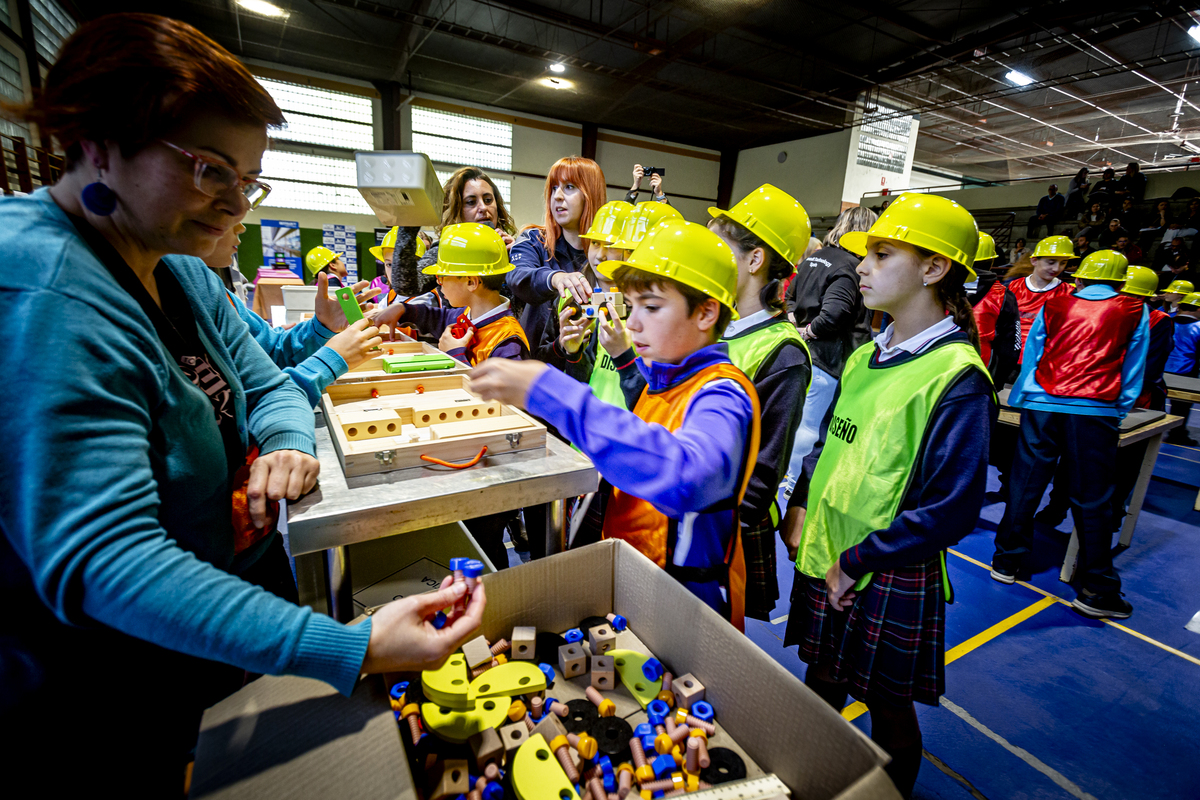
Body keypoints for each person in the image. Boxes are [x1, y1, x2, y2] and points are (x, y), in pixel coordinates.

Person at [0, 14, 484, 793]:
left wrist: (288, 440)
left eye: (246, 179)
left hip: (208, 624)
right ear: (97, 140)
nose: (233, 205)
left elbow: (264, 380)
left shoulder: (177, 265)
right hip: (105, 673)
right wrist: (348, 647)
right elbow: (106, 559)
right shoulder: (47, 290)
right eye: (207, 170)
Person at [785, 193, 992, 799]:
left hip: (884, 568)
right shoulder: (865, 356)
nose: (862, 269)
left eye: (881, 254)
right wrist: (799, 500)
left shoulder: (957, 378)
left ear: (933, 269)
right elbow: (829, 440)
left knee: (886, 706)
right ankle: (806, 778)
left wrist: (858, 561)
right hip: (830, 554)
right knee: (819, 676)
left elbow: (949, 510)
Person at [471, 218, 760, 629]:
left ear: (706, 312)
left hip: (686, 610)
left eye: (653, 307)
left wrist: (550, 391)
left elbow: (688, 475)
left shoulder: (723, 394)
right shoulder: (662, 378)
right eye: (634, 305)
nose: (635, 322)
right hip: (638, 582)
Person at [991, 251, 1148, 620]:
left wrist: (1024, 396)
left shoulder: (1056, 303)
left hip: (1042, 403)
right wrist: (1119, 407)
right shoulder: (1132, 309)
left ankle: (1007, 562)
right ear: (1121, 282)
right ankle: (1097, 588)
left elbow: (1033, 354)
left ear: (1079, 279)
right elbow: (1134, 365)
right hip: (1094, 409)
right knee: (1092, 498)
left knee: (1025, 483)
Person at [708, 184, 813, 620]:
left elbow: (766, 468)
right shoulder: (713, 324)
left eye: (719, 246)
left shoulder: (784, 354)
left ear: (754, 260)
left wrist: (710, 534)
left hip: (723, 527)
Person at [204, 223, 383, 406]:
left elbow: (272, 351)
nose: (240, 227)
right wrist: (331, 361)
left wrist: (321, 327)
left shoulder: (213, 288)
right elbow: (250, 405)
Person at [780, 207, 877, 501]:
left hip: (806, 352)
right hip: (831, 356)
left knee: (801, 420)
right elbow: (834, 313)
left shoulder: (813, 258)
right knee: (813, 425)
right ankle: (794, 485)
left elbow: (789, 298)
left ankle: (789, 478)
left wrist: (797, 324)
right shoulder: (849, 265)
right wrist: (810, 331)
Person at [371, 222, 528, 365]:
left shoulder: (508, 343)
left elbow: (499, 395)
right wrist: (403, 310)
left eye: (441, 277)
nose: (439, 284)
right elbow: (439, 318)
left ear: (471, 282)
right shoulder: (470, 314)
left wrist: (454, 354)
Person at [508, 156, 609, 368]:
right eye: (554, 188)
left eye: (569, 187)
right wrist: (555, 278)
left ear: (590, 194)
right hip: (534, 371)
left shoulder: (608, 254)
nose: (557, 196)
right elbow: (517, 276)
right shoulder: (534, 239)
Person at [1008, 235, 1074, 364]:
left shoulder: (1068, 293)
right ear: (1034, 261)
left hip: (1042, 362)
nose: (1057, 268)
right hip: (1008, 359)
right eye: (1051, 262)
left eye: (1063, 263)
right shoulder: (1013, 287)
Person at [969, 232, 1022, 385]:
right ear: (992, 261)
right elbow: (1012, 345)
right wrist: (996, 381)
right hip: (980, 374)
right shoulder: (1003, 295)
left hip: (932, 369)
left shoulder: (936, 287)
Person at [1164, 292, 1200, 445]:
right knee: (1182, 407)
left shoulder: (1166, 320)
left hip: (1161, 369)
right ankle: (1177, 433)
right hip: (1186, 371)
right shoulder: (1198, 327)